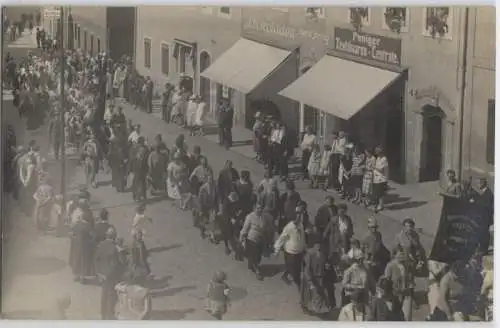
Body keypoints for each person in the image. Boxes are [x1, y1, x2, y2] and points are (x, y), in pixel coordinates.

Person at [274, 207, 306, 288]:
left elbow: (302, 237)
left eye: (300, 216)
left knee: (296, 267)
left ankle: (287, 276)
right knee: (293, 269)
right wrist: (276, 250)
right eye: (296, 217)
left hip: (299, 251)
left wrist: (304, 247)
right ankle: (298, 284)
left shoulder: (301, 225)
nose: (298, 219)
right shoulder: (289, 227)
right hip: (290, 251)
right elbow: (282, 238)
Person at [239, 205, 274, 280]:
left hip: (261, 239)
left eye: (261, 208)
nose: (260, 210)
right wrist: (241, 239)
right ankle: (257, 271)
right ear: (254, 209)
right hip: (251, 239)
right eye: (258, 208)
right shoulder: (250, 217)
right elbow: (245, 228)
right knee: (253, 255)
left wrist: (270, 239)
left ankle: (252, 265)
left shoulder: (265, 216)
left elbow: (269, 228)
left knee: (258, 256)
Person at [94, 227, 122, 320]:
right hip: (110, 276)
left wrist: (99, 273)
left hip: (102, 274)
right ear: (114, 237)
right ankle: (110, 315)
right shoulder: (114, 248)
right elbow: (115, 264)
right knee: (111, 295)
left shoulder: (101, 245)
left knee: (104, 294)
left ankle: (103, 314)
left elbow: (96, 259)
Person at [299, 236, 330, 315]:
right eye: (317, 245)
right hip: (311, 277)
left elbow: (325, 262)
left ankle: (320, 309)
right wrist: (310, 281)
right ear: (314, 245)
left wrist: (326, 266)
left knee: (320, 293)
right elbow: (307, 268)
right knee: (307, 294)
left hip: (320, 277)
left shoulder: (323, 253)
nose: (318, 247)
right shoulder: (310, 254)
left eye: (320, 245)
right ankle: (305, 307)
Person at [384, 246, 415, 320]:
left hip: (406, 294)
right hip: (394, 296)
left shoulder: (406, 265)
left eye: (403, 254)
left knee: (407, 317)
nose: (403, 256)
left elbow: (411, 279)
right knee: (394, 317)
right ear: (394, 255)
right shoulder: (390, 266)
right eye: (400, 254)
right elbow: (386, 281)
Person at [69, 209, 96, 283]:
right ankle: (82, 277)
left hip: (77, 246)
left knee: (77, 260)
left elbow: (72, 235)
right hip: (85, 247)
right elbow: (93, 236)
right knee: (84, 261)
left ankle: (76, 275)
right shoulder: (88, 226)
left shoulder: (76, 225)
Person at [362, 217, 390, 282]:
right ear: (369, 228)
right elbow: (363, 250)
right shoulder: (366, 237)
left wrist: (387, 252)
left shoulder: (378, 234)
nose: (374, 229)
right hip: (370, 258)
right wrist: (367, 258)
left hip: (378, 255)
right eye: (372, 227)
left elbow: (380, 244)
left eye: (375, 227)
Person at [196, 174, 218, 239]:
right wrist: (200, 210)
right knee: (204, 221)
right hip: (204, 207)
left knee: (212, 220)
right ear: (207, 180)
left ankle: (212, 234)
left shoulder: (215, 186)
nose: (211, 180)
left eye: (212, 179)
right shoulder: (203, 188)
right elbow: (200, 200)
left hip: (212, 206)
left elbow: (216, 196)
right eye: (209, 179)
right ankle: (202, 232)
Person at [372, 146, 389, 213]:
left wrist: (374, 168)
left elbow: (383, 170)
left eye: (377, 152)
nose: (376, 153)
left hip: (381, 178)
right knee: (377, 192)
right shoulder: (378, 158)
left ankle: (381, 205)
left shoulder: (384, 159)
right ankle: (378, 204)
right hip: (376, 178)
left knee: (380, 193)